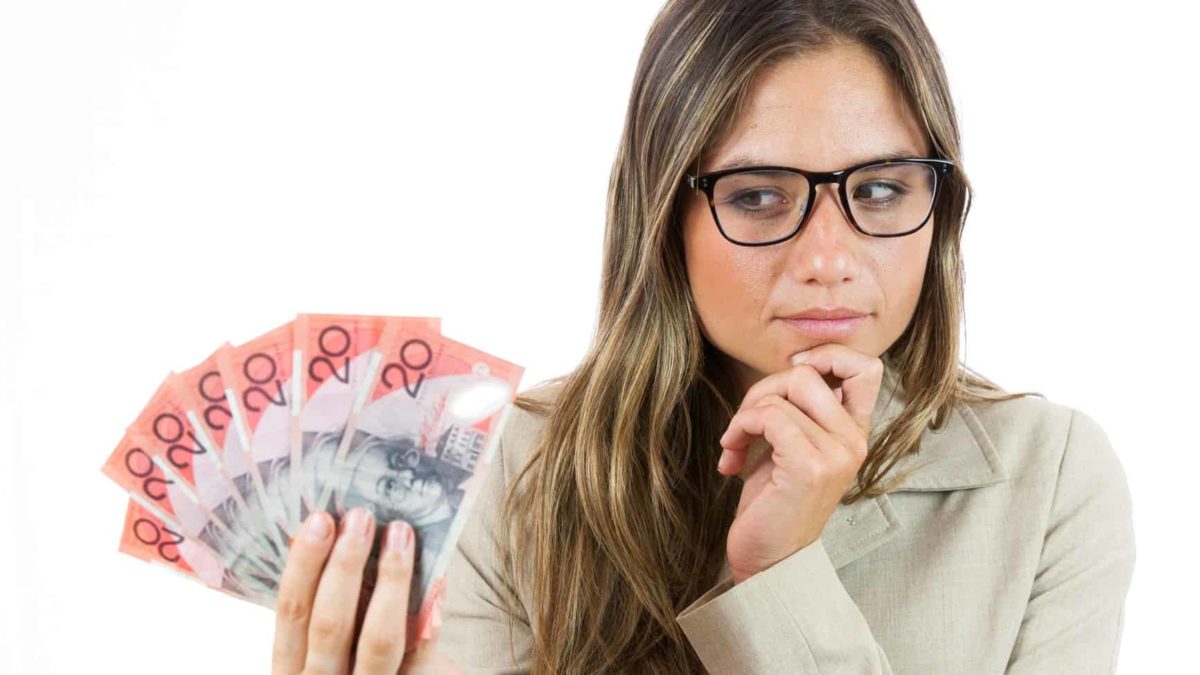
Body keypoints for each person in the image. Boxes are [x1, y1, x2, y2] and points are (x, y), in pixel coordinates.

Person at [270, 0, 1137, 672]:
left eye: (879, 190)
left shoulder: (1049, 475)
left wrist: (781, 576)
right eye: (758, 194)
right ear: (663, 216)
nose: (827, 260)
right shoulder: (518, 469)